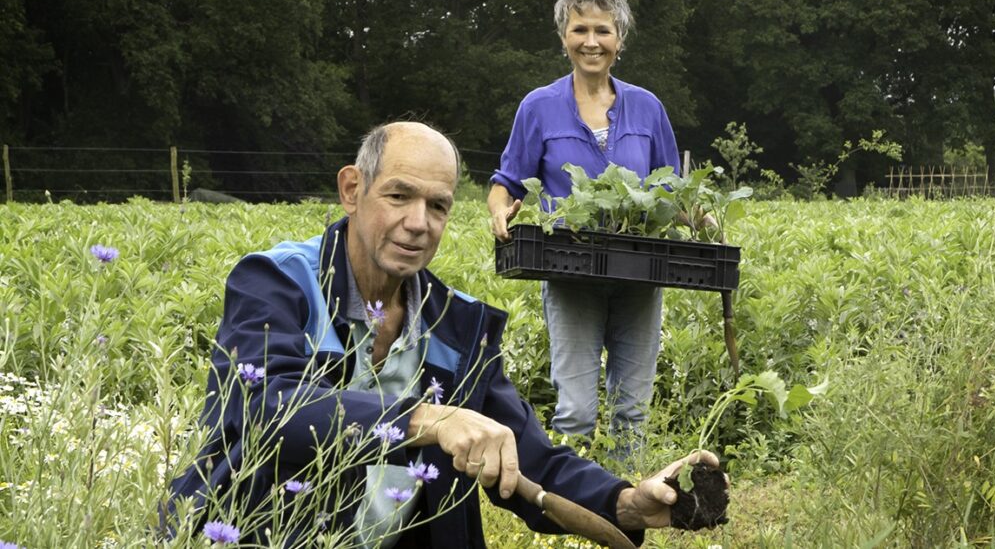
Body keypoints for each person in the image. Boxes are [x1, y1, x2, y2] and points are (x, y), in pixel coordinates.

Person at [166, 121, 719, 548]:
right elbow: (259, 406)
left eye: (438, 206)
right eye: (399, 196)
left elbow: (531, 458)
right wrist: (425, 418)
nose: (418, 223)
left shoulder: (457, 324)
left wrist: (627, 502)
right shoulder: (280, 280)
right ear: (352, 189)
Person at [488, 0, 681, 448]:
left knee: (631, 412)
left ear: (620, 39)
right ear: (563, 37)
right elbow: (506, 181)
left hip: (639, 272)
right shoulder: (539, 107)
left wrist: (701, 218)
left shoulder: (648, 107)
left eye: (602, 30)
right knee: (575, 410)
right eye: (579, 30)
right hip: (570, 272)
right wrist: (499, 210)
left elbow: (672, 187)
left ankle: (623, 509)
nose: (591, 42)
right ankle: (572, 511)